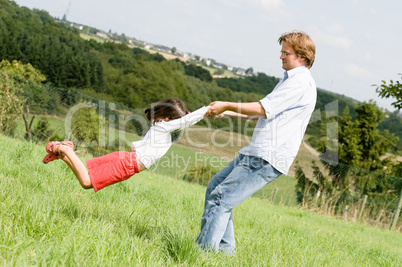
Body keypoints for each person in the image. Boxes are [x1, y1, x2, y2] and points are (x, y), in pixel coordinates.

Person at [197, 31, 317, 254]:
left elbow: (263, 108)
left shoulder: (299, 82)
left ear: (302, 56)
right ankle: (224, 253)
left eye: (285, 53)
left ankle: (202, 253)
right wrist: (229, 113)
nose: (280, 57)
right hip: (257, 152)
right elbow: (266, 113)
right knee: (216, 188)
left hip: (266, 155)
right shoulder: (290, 80)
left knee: (221, 199)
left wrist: (226, 104)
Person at [43, 98, 209, 192]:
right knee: (87, 181)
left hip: (126, 158)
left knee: (88, 175)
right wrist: (207, 110)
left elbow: (186, 120)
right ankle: (65, 149)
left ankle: (63, 155)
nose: (179, 125)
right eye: (176, 121)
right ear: (167, 119)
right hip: (128, 163)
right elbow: (187, 120)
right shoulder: (164, 127)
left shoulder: (160, 125)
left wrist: (213, 113)